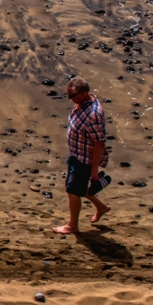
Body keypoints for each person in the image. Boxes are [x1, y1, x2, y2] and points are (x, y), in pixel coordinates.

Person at [53, 76, 111, 235]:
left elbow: (99, 143)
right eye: (68, 95)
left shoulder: (94, 115)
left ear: (84, 93)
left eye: (72, 96)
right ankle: (101, 207)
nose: (69, 99)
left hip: (85, 159)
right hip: (76, 153)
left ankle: (72, 226)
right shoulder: (81, 104)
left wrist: (94, 170)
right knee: (78, 187)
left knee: (72, 190)